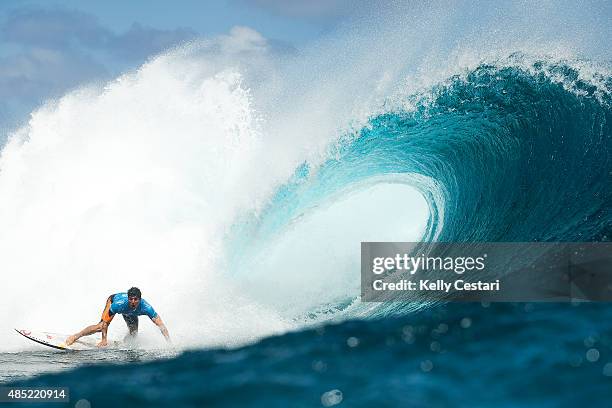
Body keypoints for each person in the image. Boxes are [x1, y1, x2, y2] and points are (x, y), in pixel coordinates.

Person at [65, 287, 171, 347]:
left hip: (130, 313)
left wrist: (169, 344)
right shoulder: (118, 304)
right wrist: (104, 340)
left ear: (140, 299)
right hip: (112, 300)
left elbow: (161, 325)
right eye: (131, 299)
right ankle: (75, 336)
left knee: (133, 335)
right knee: (100, 326)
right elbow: (106, 323)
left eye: (135, 299)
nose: (133, 302)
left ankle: (123, 343)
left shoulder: (147, 308)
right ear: (128, 298)